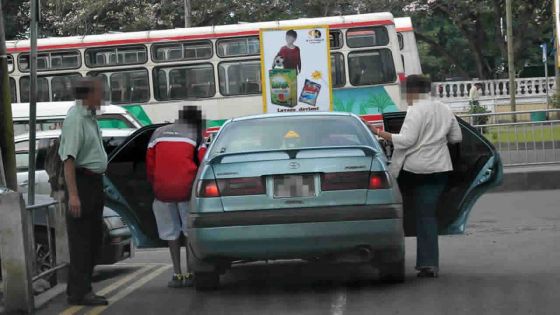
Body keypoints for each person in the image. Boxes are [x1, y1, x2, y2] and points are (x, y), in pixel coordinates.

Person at [370, 75, 462, 278]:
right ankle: (427, 263)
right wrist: (435, 140)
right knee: (427, 215)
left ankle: (425, 263)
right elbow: (457, 137)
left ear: (412, 91)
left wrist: (379, 132)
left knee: (413, 215)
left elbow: (405, 141)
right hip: (442, 170)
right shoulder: (444, 108)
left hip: (417, 171)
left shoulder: (416, 109)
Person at [59, 77, 109, 306]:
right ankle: (81, 292)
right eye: (99, 93)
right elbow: (68, 159)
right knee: (82, 241)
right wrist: (74, 195)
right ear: (87, 94)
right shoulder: (76, 118)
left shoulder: (90, 117)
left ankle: (78, 288)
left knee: (94, 239)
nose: (103, 97)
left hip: (94, 183)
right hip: (82, 183)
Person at [146, 106, 206, 288]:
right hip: (185, 189)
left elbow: (150, 164)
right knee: (188, 232)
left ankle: (176, 273)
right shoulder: (195, 135)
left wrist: (156, 185)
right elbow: (203, 161)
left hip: (162, 190)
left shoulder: (157, 133)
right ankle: (190, 273)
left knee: (171, 233)